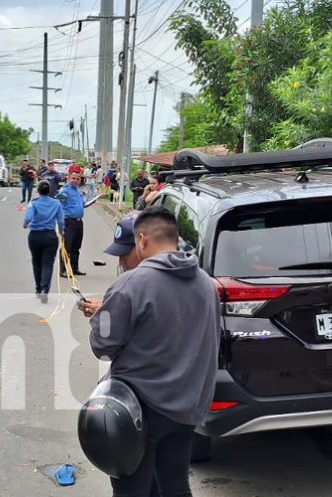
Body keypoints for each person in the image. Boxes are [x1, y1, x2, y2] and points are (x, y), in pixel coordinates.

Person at [88, 206, 219, 497]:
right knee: (174, 485)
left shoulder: (130, 284)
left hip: (140, 410)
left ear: (143, 240)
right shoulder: (206, 284)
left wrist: (102, 317)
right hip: (187, 405)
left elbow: (103, 346)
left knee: (132, 489)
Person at [78, 214, 139, 317]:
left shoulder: (155, 283)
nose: (121, 263)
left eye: (125, 254)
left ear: (143, 245)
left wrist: (105, 311)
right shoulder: (133, 279)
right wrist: (103, 308)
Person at [23, 180, 65, 303]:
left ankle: (38, 287)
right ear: (49, 190)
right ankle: (45, 289)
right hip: (50, 236)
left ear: (38, 190)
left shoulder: (34, 203)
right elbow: (61, 220)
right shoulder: (56, 203)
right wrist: (61, 231)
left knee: (36, 262)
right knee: (48, 263)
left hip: (35, 235)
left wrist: (25, 224)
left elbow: (28, 217)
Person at [57, 171, 86, 277]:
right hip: (68, 221)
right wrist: (61, 196)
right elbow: (60, 198)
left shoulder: (78, 191)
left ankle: (75, 268)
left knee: (76, 247)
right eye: (73, 178)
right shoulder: (65, 190)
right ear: (69, 178)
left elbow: (83, 203)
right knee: (66, 247)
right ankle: (63, 270)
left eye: (77, 179)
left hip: (78, 222)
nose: (75, 180)